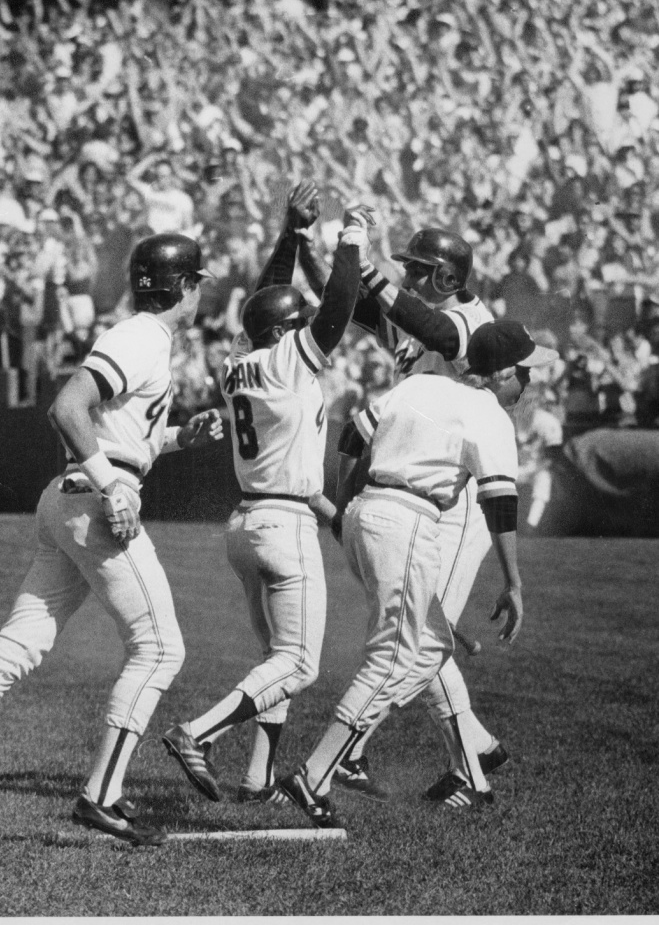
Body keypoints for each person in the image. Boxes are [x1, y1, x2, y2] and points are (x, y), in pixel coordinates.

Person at [0, 233, 224, 849]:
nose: (202, 292)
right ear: (180, 287)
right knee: (160, 649)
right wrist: (113, 490)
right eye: (198, 281)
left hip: (69, 500)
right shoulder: (140, 336)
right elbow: (67, 407)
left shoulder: (146, 339)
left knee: (18, 644)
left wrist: (180, 439)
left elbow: (119, 429)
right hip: (97, 502)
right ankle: (102, 797)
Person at [277, 321, 558, 827]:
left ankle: (471, 763)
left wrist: (344, 507)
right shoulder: (489, 413)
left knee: (429, 644)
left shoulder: (421, 383)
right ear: (498, 375)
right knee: (393, 657)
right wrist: (514, 582)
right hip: (407, 521)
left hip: (369, 511)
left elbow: (351, 434)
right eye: (524, 372)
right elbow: (499, 502)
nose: (528, 383)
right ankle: (315, 775)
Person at [161, 182, 364, 803]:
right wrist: (349, 238)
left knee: (277, 662)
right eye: (297, 321)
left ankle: (257, 777)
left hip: (245, 524)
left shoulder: (240, 361)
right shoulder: (285, 360)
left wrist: (289, 236)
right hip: (283, 525)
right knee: (300, 665)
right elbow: (339, 305)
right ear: (288, 330)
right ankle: (198, 733)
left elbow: (263, 305)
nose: (310, 325)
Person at [298, 226, 505, 806]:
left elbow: (434, 328)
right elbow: (350, 300)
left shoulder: (470, 320)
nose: (408, 278)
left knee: (419, 642)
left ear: (446, 277)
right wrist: (315, 250)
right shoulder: (413, 314)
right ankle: (474, 753)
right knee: (421, 632)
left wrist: (370, 272)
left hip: (455, 490)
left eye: (418, 270)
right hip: (418, 485)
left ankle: (351, 750)